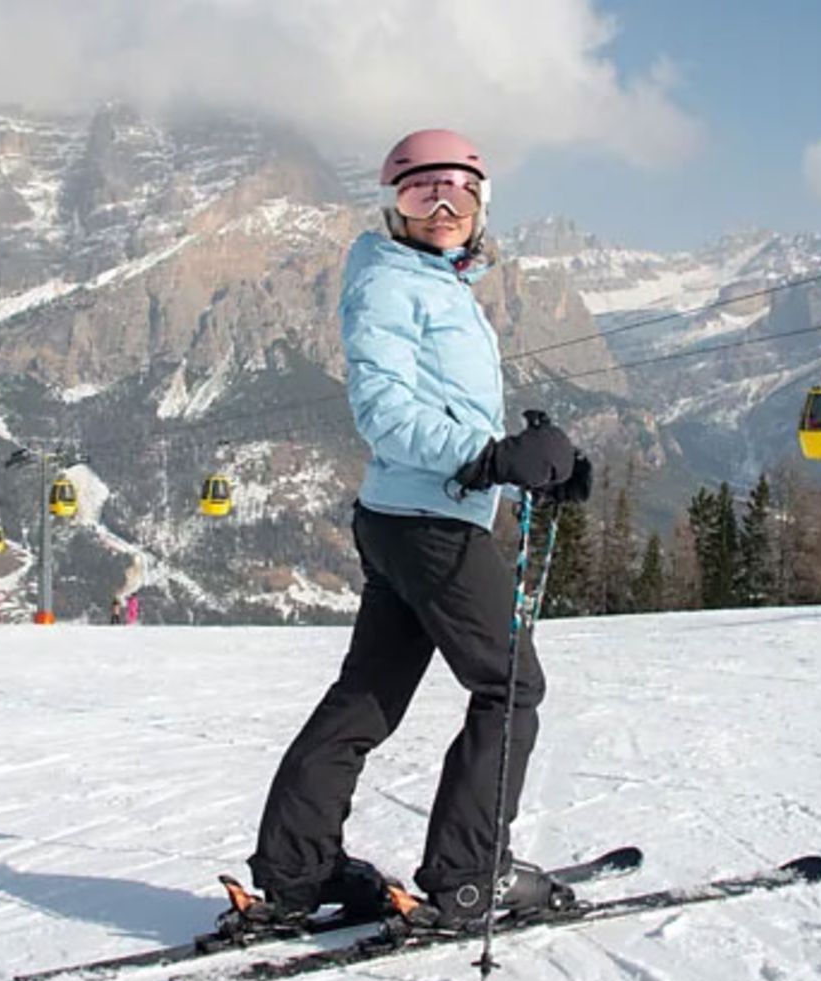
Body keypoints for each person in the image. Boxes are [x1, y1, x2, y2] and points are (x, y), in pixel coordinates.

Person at [236, 129, 594, 932]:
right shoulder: (393, 284)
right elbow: (386, 413)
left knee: (369, 694)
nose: (441, 206)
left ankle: (298, 871)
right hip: (430, 524)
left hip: (406, 517)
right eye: (419, 191)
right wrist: (490, 456)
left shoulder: (431, 278)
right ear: (391, 203)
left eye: (458, 192)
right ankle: (470, 876)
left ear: (481, 204)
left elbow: (449, 404)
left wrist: (542, 465)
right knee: (511, 687)